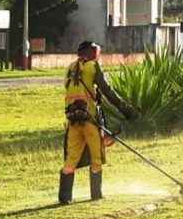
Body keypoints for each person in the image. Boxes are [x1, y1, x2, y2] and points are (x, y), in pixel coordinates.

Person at [59, 41, 137, 205]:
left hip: (73, 120)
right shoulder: (93, 67)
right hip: (90, 120)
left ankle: (64, 197)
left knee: (71, 159)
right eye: (97, 52)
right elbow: (108, 91)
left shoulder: (70, 68)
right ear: (92, 53)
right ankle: (96, 195)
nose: (98, 55)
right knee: (96, 157)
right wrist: (126, 110)